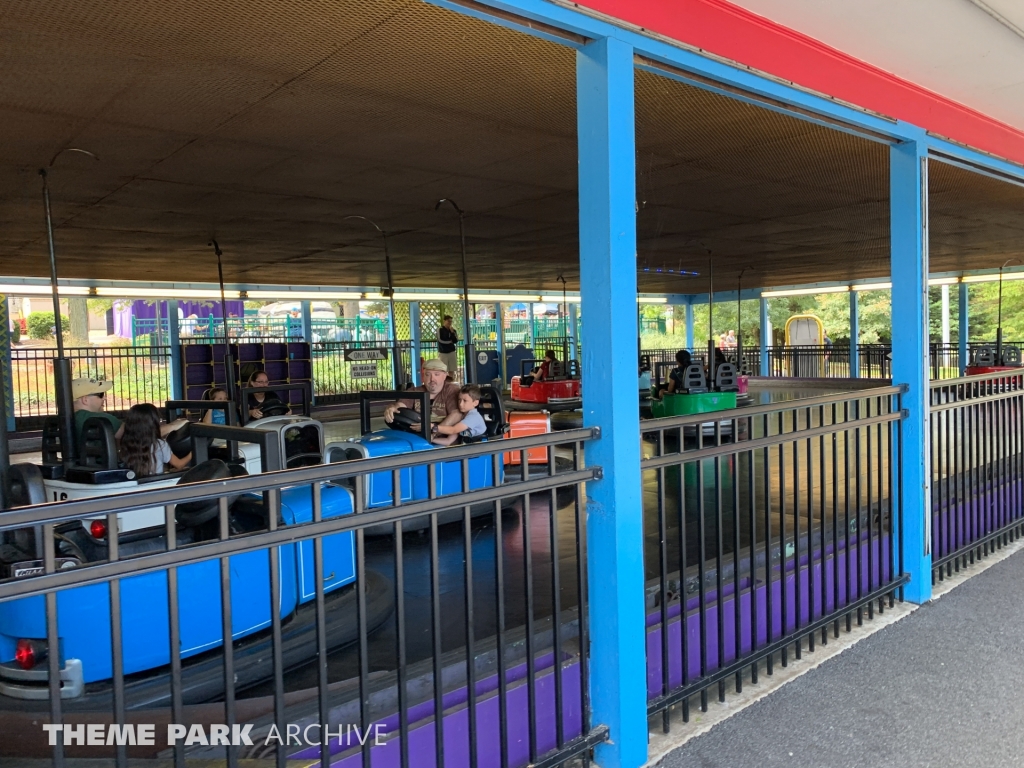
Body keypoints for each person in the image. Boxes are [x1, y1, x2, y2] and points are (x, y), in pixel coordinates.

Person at [119, 404, 191, 477]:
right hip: (156, 482)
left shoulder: (126, 443)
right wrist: (192, 452)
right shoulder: (159, 444)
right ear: (153, 423)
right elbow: (179, 465)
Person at [384, 358, 460, 425]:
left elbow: (456, 414)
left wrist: (436, 431)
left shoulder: (452, 390)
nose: (432, 379)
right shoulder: (415, 391)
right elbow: (401, 405)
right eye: (427, 375)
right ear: (423, 376)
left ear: (444, 376)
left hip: (444, 435)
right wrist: (393, 408)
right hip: (418, 434)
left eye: (436, 374)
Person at [72, 377, 124, 442]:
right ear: (85, 400)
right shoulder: (103, 419)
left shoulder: (65, 419)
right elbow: (132, 434)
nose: (104, 398)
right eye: (101, 395)